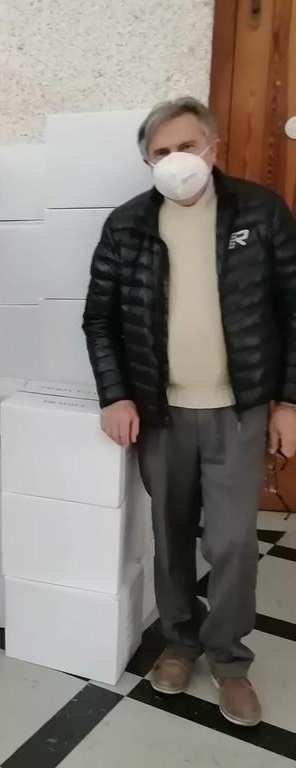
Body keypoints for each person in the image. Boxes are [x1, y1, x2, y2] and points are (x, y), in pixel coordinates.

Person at [83, 97, 296, 727]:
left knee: (232, 542)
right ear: (147, 162)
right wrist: (115, 394)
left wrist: (288, 401)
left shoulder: (260, 212)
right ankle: (179, 641)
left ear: (212, 146)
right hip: (161, 412)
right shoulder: (127, 225)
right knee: (170, 533)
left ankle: (229, 659)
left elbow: (293, 310)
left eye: (186, 146)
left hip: (239, 408)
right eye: (161, 152)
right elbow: (99, 320)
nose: (176, 160)